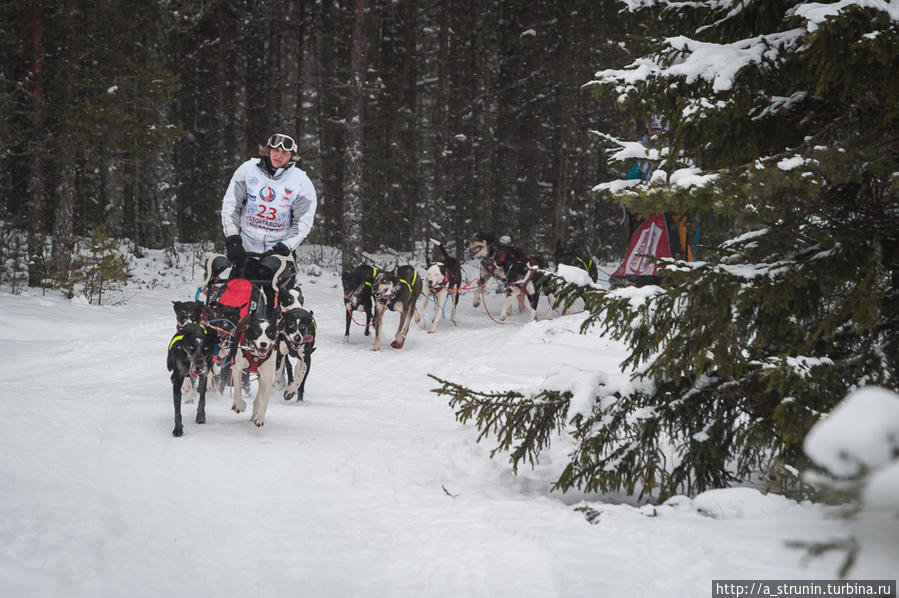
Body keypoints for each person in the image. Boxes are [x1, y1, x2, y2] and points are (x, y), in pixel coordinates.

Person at [221, 126, 317, 315]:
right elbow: (231, 206)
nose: (279, 155)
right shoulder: (247, 170)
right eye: (275, 150)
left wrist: (284, 246)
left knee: (277, 311)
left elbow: (303, 221)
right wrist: (233, 238)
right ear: (268, 149)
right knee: (233, 305)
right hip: (246, 250)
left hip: (278, 255)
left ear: (292, 155)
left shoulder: (301, 182)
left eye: (284, 152)